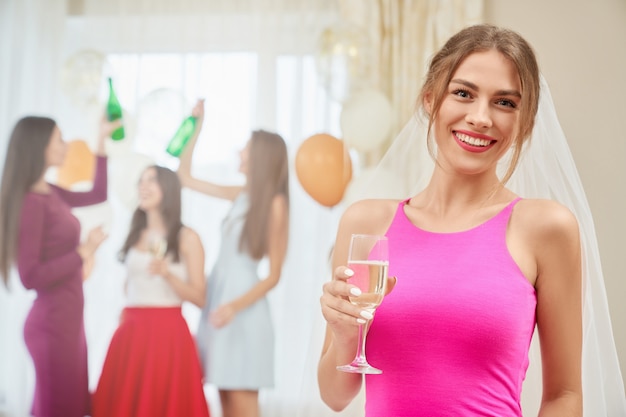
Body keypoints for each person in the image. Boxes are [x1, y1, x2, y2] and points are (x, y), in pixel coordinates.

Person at [318, 24, 586, 416]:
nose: (480, 118)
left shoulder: (546, 228)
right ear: (430, 100)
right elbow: (335, 395)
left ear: (524, 121)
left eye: (505, 103)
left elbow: (565, 394)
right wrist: (344, 335)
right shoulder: (365, 223)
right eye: (463, 93)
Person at [177, 100, 290, 417]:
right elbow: (184, 177)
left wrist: (233, 307)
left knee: (242, 405)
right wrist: (195, 129)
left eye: (246, 148)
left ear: (261, 157)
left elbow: (274, 275)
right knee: (224, 403)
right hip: (219, 300)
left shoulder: (275, 204)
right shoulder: (241, 194)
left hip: (243, 310)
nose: (240, 152)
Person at [0, 116, 116, 417]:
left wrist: (101, 140)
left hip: (68, 322)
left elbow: (98, 193)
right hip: (52, 327)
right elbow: (30, 277)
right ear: (40, 146)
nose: (66, 146)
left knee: (71, 407)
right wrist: (84, 251)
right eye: (60, 139)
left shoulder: (49, 192)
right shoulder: (31, 203)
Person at [92, 165, 210, 417]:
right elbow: (131, 285)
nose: (143, 186)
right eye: (141, 180)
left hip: (168, 335)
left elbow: (200, 298)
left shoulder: (187, 237)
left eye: (151, 180)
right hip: (131, 331)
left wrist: (167, 274)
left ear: (168, 189)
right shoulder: (135, 234)